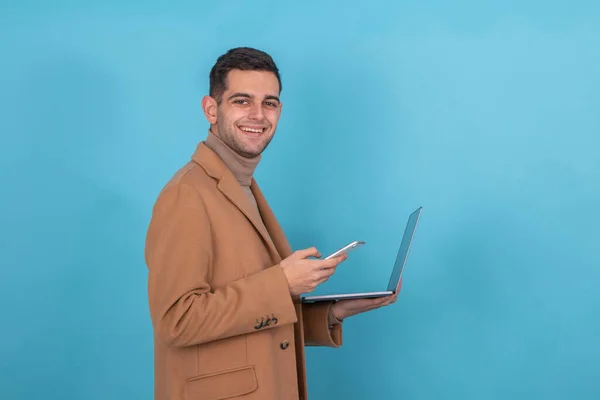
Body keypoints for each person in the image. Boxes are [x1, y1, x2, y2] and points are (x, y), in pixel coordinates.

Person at [144, 46, 400, 400]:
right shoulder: (187, 194)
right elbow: (178, 320)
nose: (258, 115)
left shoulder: (242, 185)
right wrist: (281, 284)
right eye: (241, 101)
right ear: (210, 109)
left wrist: (333, 311)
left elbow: (250, 322)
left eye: (270, 102)